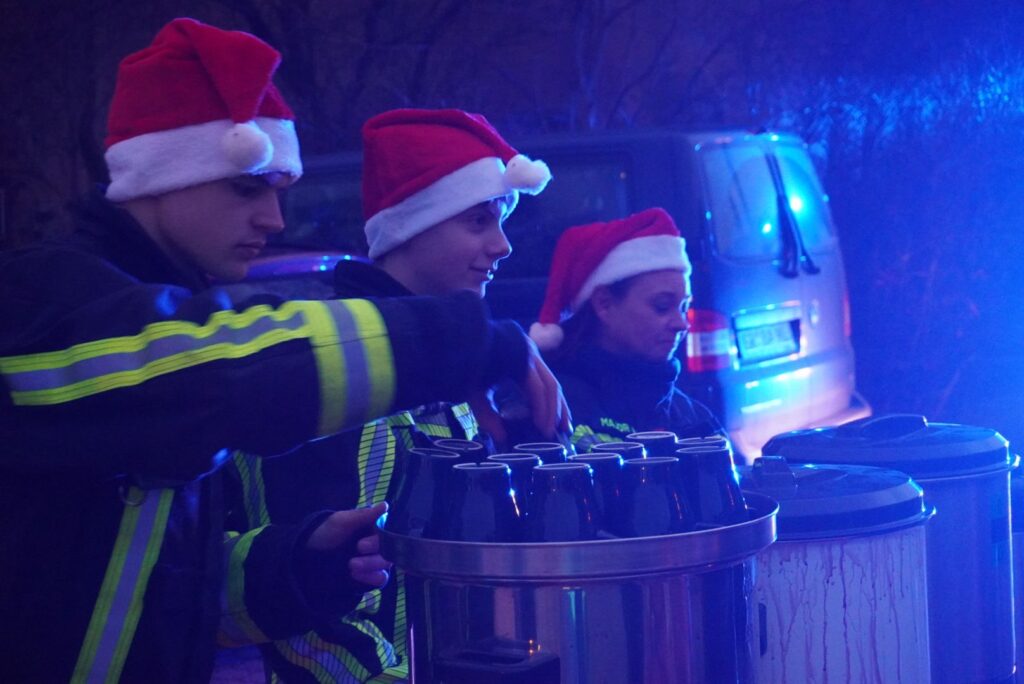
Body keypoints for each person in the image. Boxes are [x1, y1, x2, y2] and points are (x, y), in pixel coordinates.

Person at [0, 20, 563, 683]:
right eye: (247, 187)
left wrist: (298, 565)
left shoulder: (155, 321)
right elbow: (224, 371)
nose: (273, 219)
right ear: (157, 177)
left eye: (278, 193)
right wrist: (467, 342)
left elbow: (166, 594)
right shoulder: (44, 301)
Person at [231, 108, 563, 682]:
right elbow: (310, 622)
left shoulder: (445, 369)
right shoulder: (334, 370)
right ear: (411, 227)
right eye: (479, 221)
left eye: (502, 221)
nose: (503, 245)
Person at [530, 207, 724, 453]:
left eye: (684, 307)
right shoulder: (549, 404)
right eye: (662, 306)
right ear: (604, 304)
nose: (681, 324)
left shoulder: (695, 421)